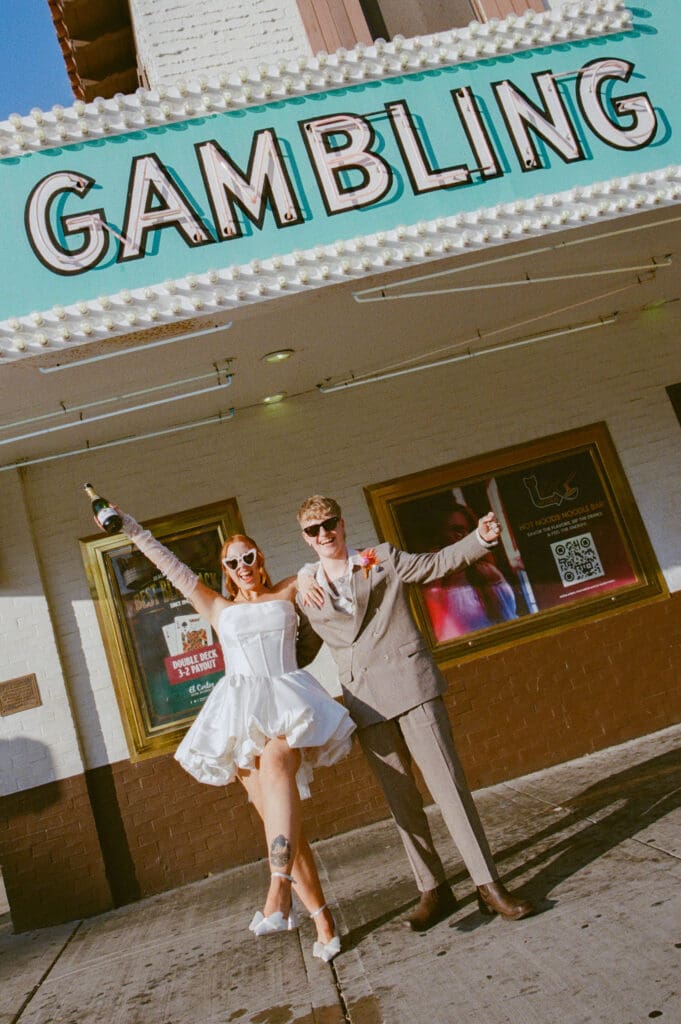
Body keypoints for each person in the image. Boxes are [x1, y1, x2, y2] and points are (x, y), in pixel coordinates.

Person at [102, 506, 356, 962]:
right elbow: (168, 564)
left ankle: (277, 892)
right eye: (233, 563)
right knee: (282, 826)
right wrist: (132, 527)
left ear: (261, 559)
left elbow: (331, 570)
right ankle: (321, 918)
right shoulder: (216, 606)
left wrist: (310, 570)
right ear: (225, 572)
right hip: (239, 719)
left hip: (287, 705)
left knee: (279, 762)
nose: (244, 567)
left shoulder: (288, 589)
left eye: (250, 557)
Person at [295, 496, 535, 931]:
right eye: (313, 530)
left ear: (342, 524)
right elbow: (300, 650)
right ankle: (433, 888)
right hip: (365, 703)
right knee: (401, 803)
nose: (323, 534)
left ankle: (487, 884)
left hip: (412, 685)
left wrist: (479, 540)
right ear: (305, 539)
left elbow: (434, 564)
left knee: (450, 790)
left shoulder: (380, 558)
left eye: (329, 524)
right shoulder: (306, 590)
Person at [421, 500, 517, 641]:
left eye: (467, 530)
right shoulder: (432, 582)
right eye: (456, 530)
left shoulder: (488, 572)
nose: (463, 536)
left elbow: (510, 619)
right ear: (438, 535)